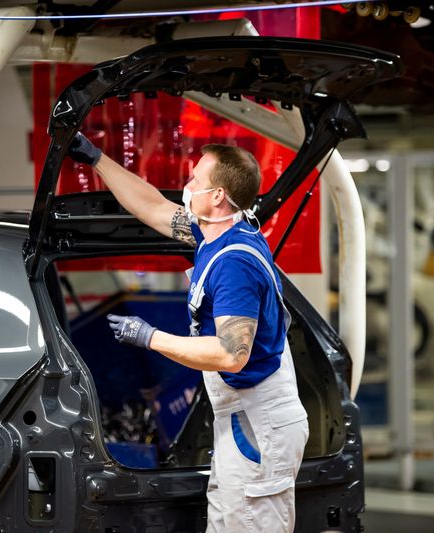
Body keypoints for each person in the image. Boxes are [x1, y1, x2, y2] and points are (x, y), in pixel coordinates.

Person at [68, 133, 309, 532]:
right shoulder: (217, 233)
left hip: (260, 421)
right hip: (243, 415)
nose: (188, 184)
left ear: (218, 196)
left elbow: (231, 354)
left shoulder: (233, 264)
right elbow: (151, 206)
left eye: (196, 179)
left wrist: (149, 337)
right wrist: (96, 159)